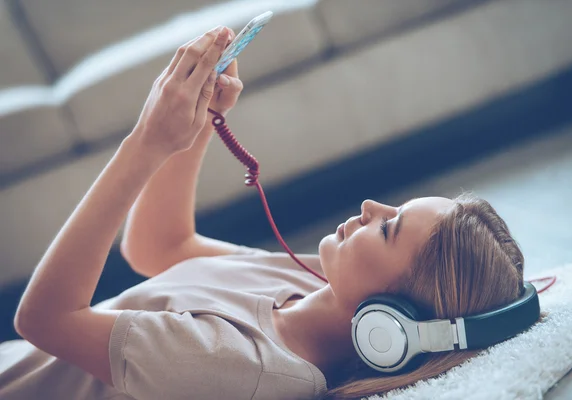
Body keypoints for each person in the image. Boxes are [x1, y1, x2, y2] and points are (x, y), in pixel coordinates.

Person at [0, 26, 527, 400]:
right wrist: (202, 123)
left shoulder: (242, 367)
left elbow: (45, 320)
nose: (370, 207)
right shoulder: (315, 284)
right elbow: (159, 248)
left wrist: (146, 143)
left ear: (391, 323)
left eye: (389, 229)